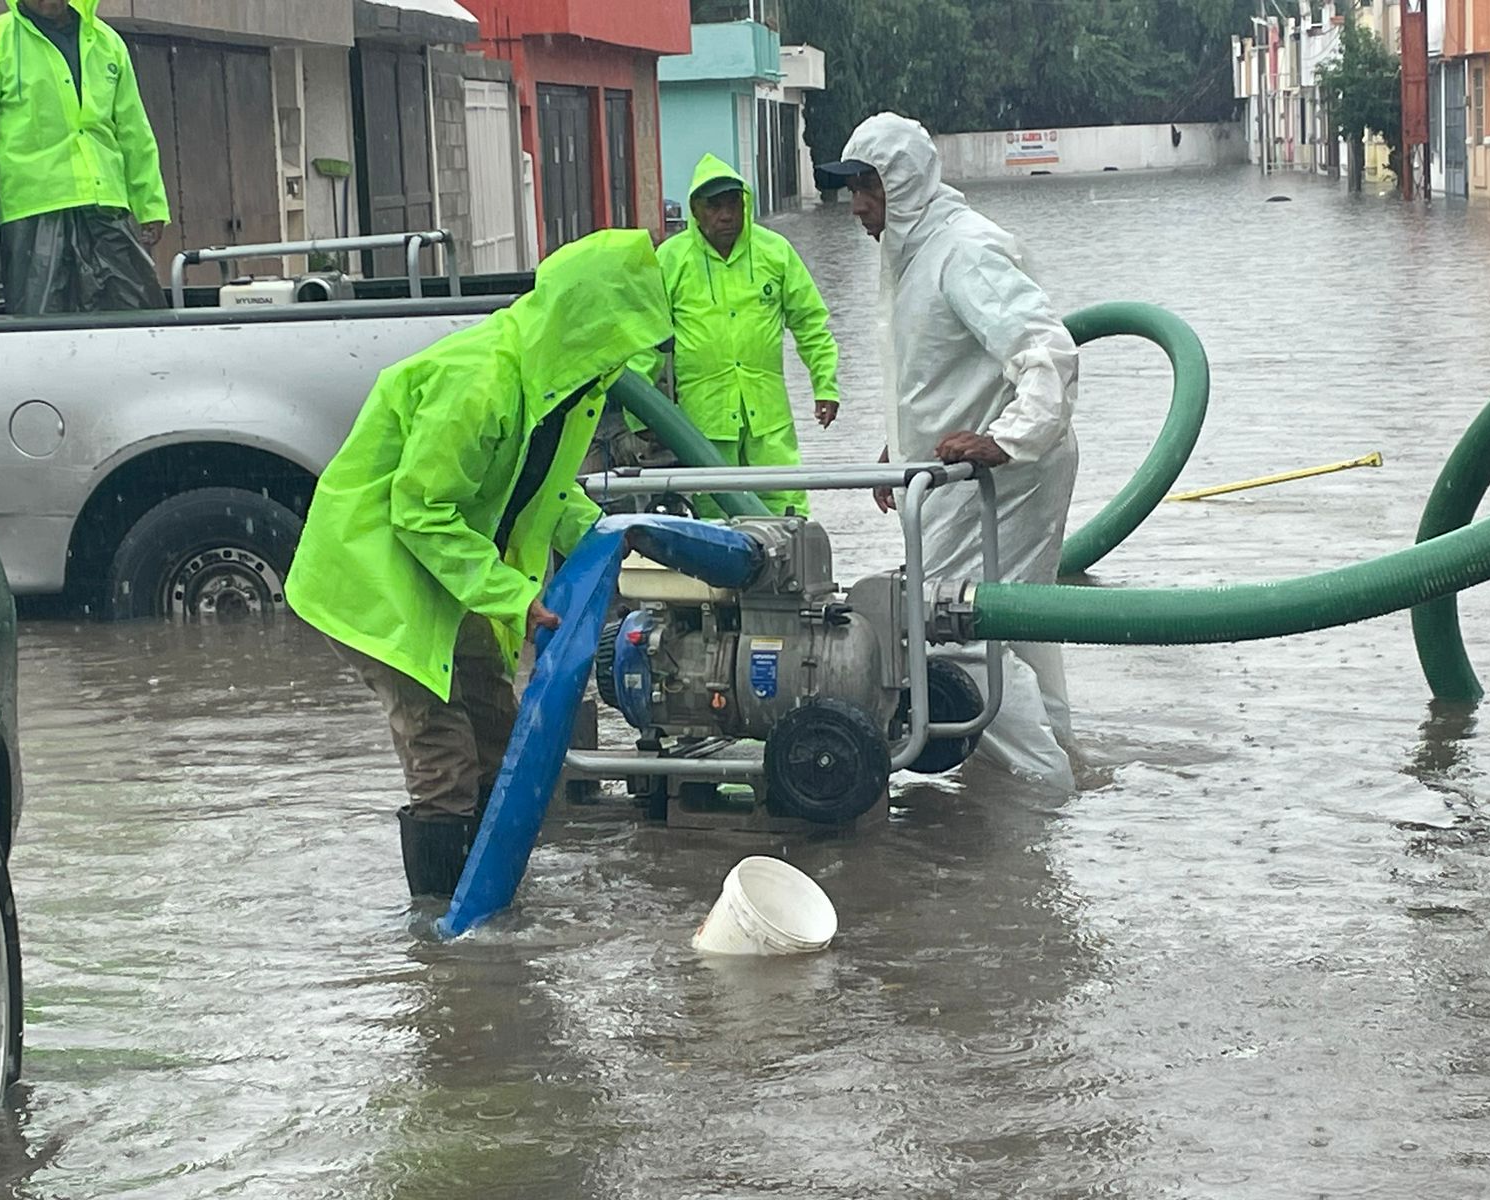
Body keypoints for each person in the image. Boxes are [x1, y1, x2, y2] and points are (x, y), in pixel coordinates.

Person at [286, 229, 672, 899]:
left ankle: (494, 903)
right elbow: (419, 510)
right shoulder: (483, 379)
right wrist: (512, 596)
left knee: (499, 727)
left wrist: (623, 536)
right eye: (617, 340)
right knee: (441, 749)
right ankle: (444, 937)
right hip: (375, 570)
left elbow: (547, 496)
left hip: (445, 571)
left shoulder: (570, 388)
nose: (623, 363)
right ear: (586, 323)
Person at [819, 113, 1081, 790]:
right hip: (959, 471)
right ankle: (1069, 772)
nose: (856, 207)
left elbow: (1046, 351)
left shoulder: (961, 252)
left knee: (947, 626)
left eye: (867, 189)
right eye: (850, 191)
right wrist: (898, 446)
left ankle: (1040, 789)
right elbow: (936, 369)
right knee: (1015, 622)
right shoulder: (911, 255)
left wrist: (1007, 440)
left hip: (1004, 476)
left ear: (902, 184)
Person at [634, 153, 840, 518]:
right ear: (696, 211)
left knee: (787, 507)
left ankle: (791, 573)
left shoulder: (774, 252)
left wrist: (825, 385)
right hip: (704, 418)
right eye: (715, 206)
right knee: (714, 512)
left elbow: (810, 323)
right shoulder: (670, 260)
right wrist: (641, 416)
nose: (726, 215)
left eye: (733, 204)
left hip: (768, 415)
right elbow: (645, 342)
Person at [0, 0, 170, 315]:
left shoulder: (107, 42)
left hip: (105, 207)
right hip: (34, 211)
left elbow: (133, 131)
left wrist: (150, 203)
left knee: (136, 319)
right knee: (42, 330)